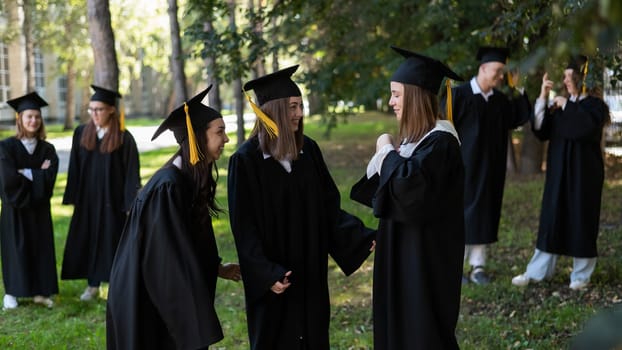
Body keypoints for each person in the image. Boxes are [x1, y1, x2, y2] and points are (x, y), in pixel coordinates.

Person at [228, 65, 376, 350]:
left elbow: (329, 207)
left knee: (313, 335)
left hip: (309, 270)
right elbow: (244, 230)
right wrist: (266, 274)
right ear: (273, 111)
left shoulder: (308, 151)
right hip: (276, 278)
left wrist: (360, 236)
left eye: (300, 106)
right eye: (292, 107)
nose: (298, 114)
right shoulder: (246, 162)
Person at [106, 86, 240, 349]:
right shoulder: (168, 187)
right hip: (147, 298)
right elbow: (165, 260)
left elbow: (186, 243)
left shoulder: (187, 181)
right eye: (219, 131)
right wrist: (193, 319)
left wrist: (217, 268)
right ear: (198, 137)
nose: (225, 139)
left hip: (161, 293)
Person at [351, 46, 465, 349]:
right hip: (402, 257)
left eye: (397, 94)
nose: (391, 102)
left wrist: (385, 147)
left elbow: (406, 187)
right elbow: (381, 191)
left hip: (425, 261)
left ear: (415, 97)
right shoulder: (416, 143)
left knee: (421, 332)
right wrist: (391, 152)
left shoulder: (441, 143)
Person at [511, 55, 609, 290]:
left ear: (581, 78)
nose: (564, 81)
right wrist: (543, 99)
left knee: (582, 220)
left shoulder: (595, 107)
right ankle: (536, 272)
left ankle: (580, 276)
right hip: (558, 174)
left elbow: (582, 130)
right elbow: (541, 130)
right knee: (551, 218)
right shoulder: (559, 105)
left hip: (585, 175)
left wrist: (568, 105)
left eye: (568, 76)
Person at [441, 46, 531, 285]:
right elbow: (441, 131)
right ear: (483, 68)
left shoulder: (501, 101)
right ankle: (453, 266)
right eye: (498, 71)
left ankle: (478, 266)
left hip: (491, 170)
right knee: (458, 216)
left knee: (483, 215)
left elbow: (521, 116)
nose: (501, 76)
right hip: (461, 169)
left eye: (504, 72)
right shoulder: (457, 96)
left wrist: (517, 87)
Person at [61, 85, 141, 301]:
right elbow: (75, 168)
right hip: (88, 201)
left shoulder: (124, 139)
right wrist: (74, 197)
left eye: (99, 109)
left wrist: (129, 204)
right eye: (91, 110)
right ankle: (92, 285)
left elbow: (131, 174)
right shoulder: (81, 133)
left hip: (113, 202)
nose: (94, 114)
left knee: (113, 243)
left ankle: (117, 285)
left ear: (111, 110)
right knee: (89, 240)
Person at [0, 92, 59, 310]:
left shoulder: (47, 149)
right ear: (19, 119)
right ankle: (12, 293)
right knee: (16, 249)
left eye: (37, 116)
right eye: (29, 117)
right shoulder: (6, 147)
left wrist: (24, 172)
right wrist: (37, 174)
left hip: (39, 211)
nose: (34, 120)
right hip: (14, 209)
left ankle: (40, 292)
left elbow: (50, 177)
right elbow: (7, 180)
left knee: (40, 249)